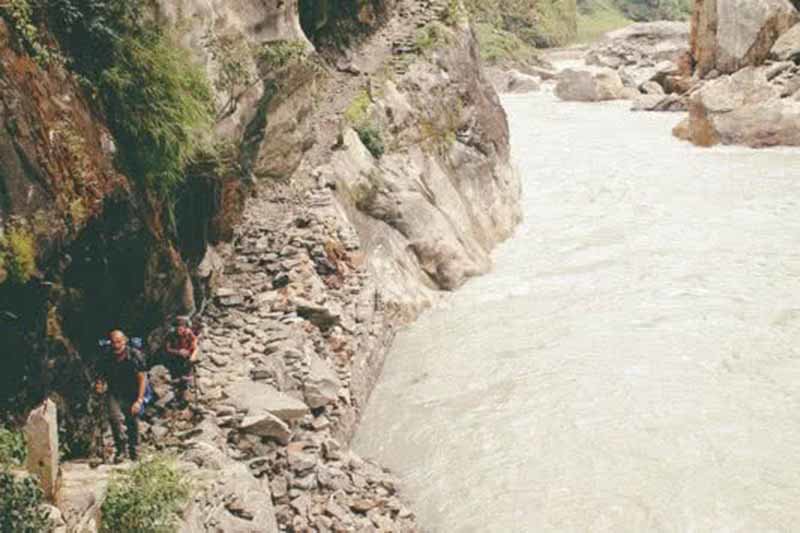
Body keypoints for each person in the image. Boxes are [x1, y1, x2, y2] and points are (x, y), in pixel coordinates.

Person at [95, 330, 146, 462]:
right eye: (113, 342)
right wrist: (99, 384)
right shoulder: (106, 355)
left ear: (125, 340)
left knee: (132, 420)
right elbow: (100, 374)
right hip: (114, 391)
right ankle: (121, 450)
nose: (116, 345)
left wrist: (139, 400)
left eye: (119, 341)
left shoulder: (135, 355)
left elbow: (142, 378)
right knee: (115, 419)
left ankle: (134, 450)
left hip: (132, 392)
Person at [164, 316, 198, 406]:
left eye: (182, 327)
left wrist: (193, 356)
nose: (180, 329)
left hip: (187, 359)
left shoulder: (189, 334)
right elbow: (167, 348)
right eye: (178, 327)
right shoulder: (171, 334)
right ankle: (176, 396)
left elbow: (195, 345)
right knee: (176, 378)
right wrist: (178, 352)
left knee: (185, 378)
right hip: (175, 359)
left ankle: (184, 398)